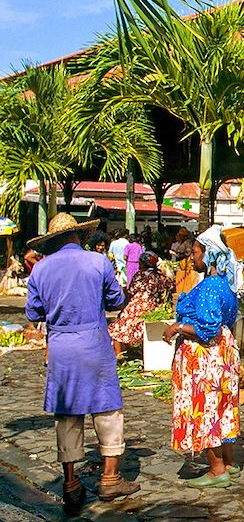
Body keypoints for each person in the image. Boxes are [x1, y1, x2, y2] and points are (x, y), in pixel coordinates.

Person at [25, 213, 138, 514]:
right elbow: (116, 300)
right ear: (78, 236)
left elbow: (33, 312)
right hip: (93, 342)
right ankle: (110, 477)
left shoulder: (40, 270)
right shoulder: (97, 262)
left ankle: (71, 483)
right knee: (107, 410)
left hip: (61, 347)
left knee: (67, 415)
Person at [162, 226, 239, 488]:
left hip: (204, 356)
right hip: (222, 353)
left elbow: (207, 327)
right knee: (222, 407)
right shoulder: (225, 285)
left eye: (195, 251)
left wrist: (177, 327)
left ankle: (217, 470)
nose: (192, 256)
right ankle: (228, 461)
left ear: (208, 254)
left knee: (204, 408)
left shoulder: (208, 287)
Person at [108, 251, 175, 356]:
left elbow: (131, 291)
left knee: (118, 328)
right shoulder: (161, 277)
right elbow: (169, 289)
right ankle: (132, 353)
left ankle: (118, 357)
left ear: (144, 264)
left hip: (138, 306)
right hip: (155, 307)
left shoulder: (140, 275)